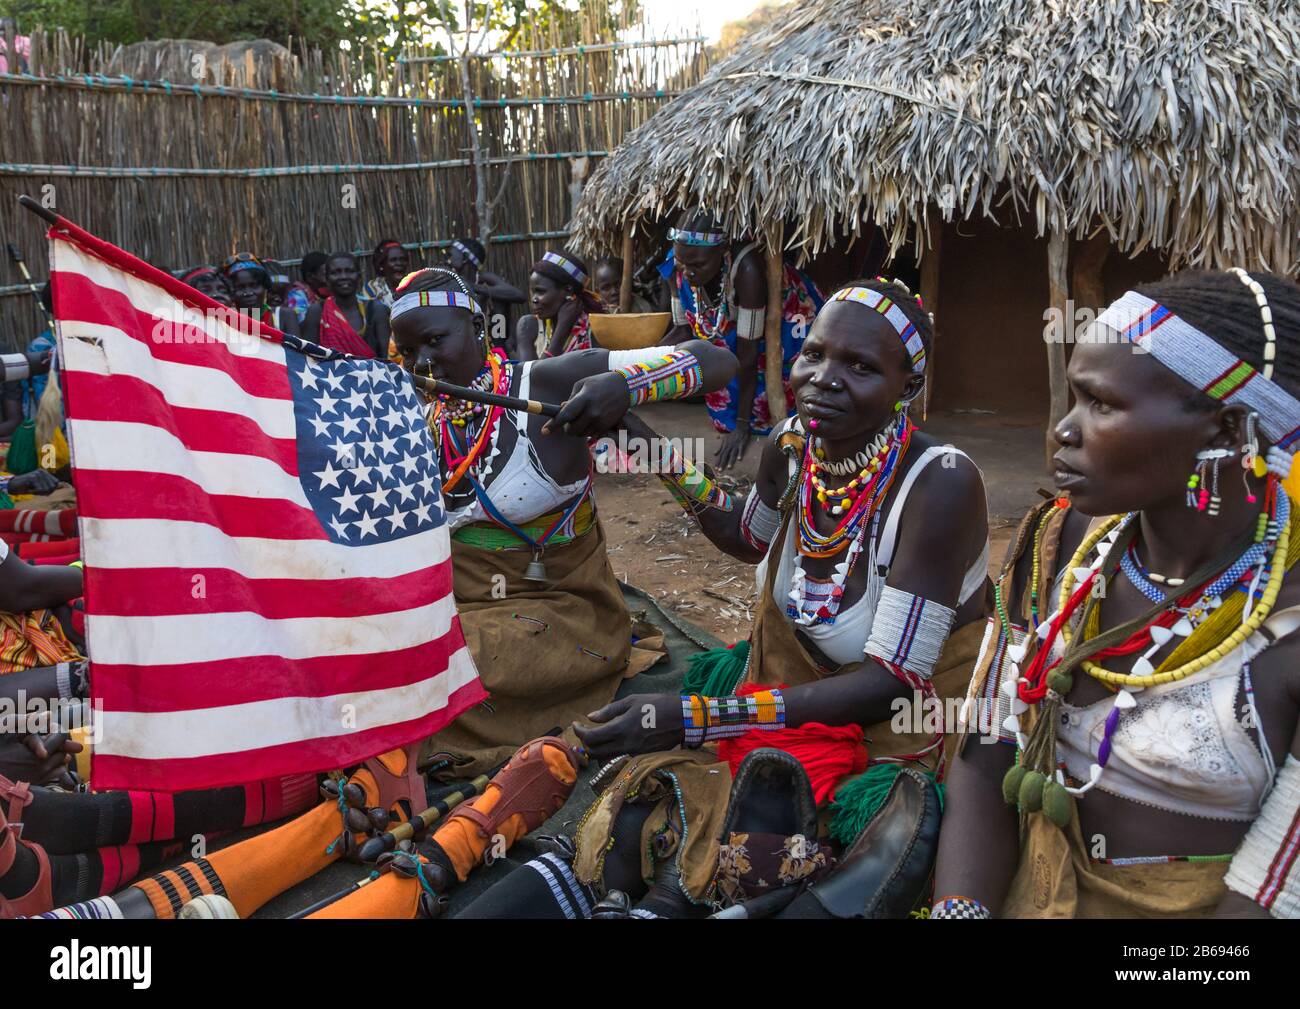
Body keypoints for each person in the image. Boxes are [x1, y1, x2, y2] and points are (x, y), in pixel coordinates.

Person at [458, 278, 990, 918]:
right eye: (815, 354)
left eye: (860, 366)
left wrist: (694, 717)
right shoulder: (794, 445)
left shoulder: (941, 485)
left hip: (903, 723)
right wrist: (634, 431)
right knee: (645, 819)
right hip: (795, 685)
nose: (822, 378)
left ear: (907, 387)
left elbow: (892, 683)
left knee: (828, 856)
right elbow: (745, 536)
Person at [934, 269, 1300, 919]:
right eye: (1073, 399)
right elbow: (983, 755)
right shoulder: (1058, 542)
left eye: (1100, 404)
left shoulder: (1286, 618)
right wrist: (959, 911)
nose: (1062, 432)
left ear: (1224, 431)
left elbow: (1267, 897)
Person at [391, 266, 736, 775]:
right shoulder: (424, 414)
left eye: (435, 340)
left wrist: (624, 388)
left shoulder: (546, 383)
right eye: (407, 351)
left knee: (434, 663)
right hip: (458, 600)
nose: (423, 363)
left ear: (480, 327)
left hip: (557, 608)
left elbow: (718, 361)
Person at [662, 211, 825, 470]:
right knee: (721, 396)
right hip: (739, 333)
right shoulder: (677, 266)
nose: (689, 273)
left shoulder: (747, 270)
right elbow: (683, 330)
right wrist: (639, 366)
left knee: (781, 390)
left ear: (723, 251)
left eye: (698, 265)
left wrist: (741, 426)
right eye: (684, 264)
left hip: (787, 325)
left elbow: (747, 357)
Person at [512, 249, 603, 361]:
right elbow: (526, 376)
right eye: (533, 292)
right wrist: (561, 331)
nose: (533, 299)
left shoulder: (593, 330)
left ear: (568, 290)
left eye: (540, 291)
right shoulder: (528, 326)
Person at [301, 252, 389, 358]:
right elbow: (308, 357)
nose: (343, 277)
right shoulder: (317, 312)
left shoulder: (375, 309)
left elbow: (386, 357)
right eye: (336, 272)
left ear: (359, 276)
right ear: (326, 278)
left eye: (349, 271)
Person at [446, 237, 525, 346]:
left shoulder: (484, 279)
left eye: (450, 255)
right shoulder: (450, 283)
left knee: (498, 301)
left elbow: (519, 296)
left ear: (464, 258)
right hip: (466, 342)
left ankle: (499, 351)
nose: (448, 260)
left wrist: (474, 287)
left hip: (496, 338)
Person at [220, 253, 301, 337]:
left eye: (254, 285)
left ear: (265, 287)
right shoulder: (226, 322)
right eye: (240, 287)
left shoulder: (284, 315)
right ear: (231, 292)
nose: (248, 293)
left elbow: (296, 349)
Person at [360, 239, 410, 307]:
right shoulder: (372, 288)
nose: (399, 263)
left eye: (403, 259)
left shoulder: (415, 286)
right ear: (382, 265)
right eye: (393, 260)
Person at [284, 251, 328, 324]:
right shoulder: (297, 296)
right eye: (325, 274)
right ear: (310, 277)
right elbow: (303, 323)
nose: (331, 278)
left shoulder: (330, 293)